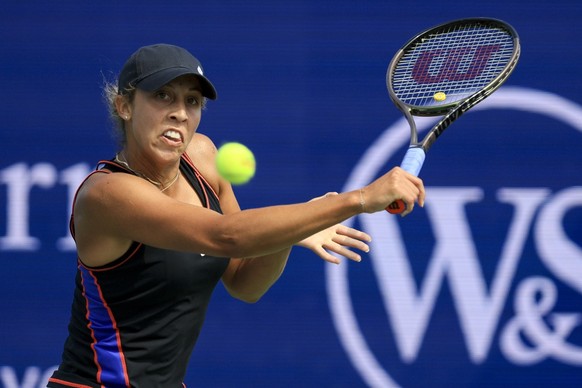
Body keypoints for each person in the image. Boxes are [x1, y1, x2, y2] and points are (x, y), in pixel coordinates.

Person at [48, 43, 425, 387]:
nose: (179, 113)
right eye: (162, 96)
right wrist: (357, 199)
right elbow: (226, 236)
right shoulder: (108, 194)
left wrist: (289, 234)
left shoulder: (203, 158)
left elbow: (245, 282)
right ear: (125, 106)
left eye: (192, 101)